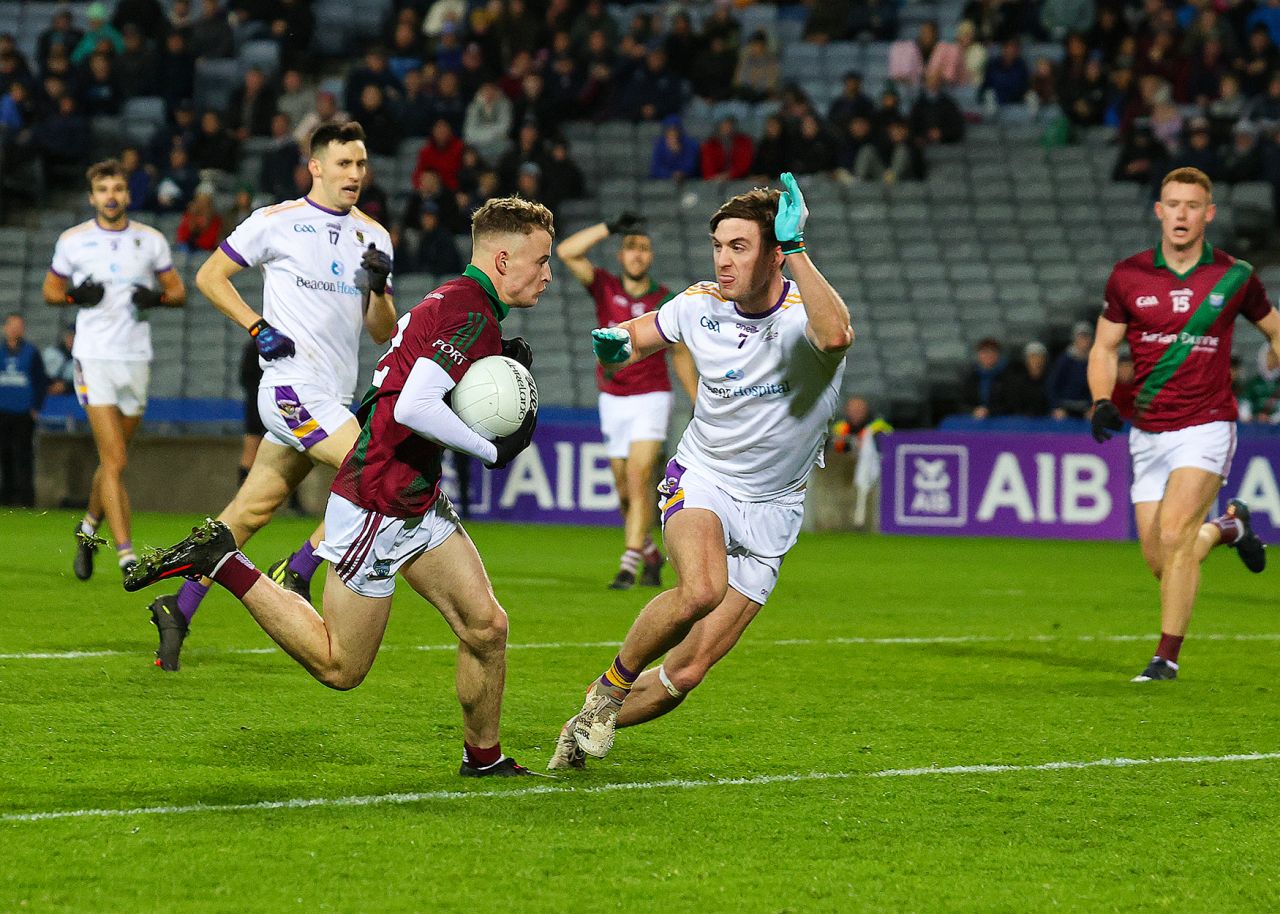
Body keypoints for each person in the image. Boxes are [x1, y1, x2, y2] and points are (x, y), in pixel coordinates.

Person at [124, 197, 550, 777]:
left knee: (486, 626)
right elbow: (416, 407)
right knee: (340, 667)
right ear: (502, 259)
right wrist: (490, 447)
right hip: (376, 497)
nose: (547, 274)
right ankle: (224, 561)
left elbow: (403, 373)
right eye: (540, 260)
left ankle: (484, 758)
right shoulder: (467, 313)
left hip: (414, 495)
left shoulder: (457, 301)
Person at [548, 174, 852, 768]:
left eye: (739, 246)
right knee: (702, 589)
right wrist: (615, 342)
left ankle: (580, 726)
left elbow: (837, 334)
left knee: (687, 671)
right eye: (718, 245)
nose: (723, 260)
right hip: (704, 475)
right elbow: (638, 334)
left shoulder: (803, 316)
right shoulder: (698, 305)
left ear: (773, 252)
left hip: (775, 508)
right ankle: (610, 687)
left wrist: (798, 250)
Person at [141, 122, 396, 673]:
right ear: (317, 167)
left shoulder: (373, 236)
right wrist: (257, 326)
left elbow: (381, 331)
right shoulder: (276, 222)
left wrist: (378, 288)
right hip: (289, 391)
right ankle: (299, 568)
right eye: (344, 164)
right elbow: (211, 276)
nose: (355, 174)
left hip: (333, 397)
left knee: (245, 515)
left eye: (362, 164)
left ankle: (178, 608)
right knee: (379, 472)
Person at [1088, 167, 1279, 683]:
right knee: (1162, 561)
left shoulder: (1235, 275)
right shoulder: (1128, 276)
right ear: (1159, 210)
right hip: (1148, 432)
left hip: (1207, 424)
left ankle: (1165, 659)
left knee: (1174, 536)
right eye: (1173, 204)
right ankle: (1229, 527)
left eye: (1192, 205)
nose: (1181, 214)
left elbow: (1275, 330)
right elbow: (1104, 348)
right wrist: (1102, 399)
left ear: (1208, 213)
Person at [42, 159, 186, 578]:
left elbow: (178, 291)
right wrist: (74, 297)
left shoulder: (151, 240)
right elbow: (50, 290)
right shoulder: (74, 241)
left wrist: (156, 299)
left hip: (136, 358)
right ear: (92, 197)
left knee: (113, 462)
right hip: (94, 356)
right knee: (116, 457)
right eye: (103, 189)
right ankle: (126, 555)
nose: (111, 196)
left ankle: (87, 529)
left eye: (118, 188)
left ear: (128, 194)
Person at [556, 214, 697, 589]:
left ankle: (628, 563)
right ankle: (651, 555)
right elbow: (566, 252)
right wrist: (608, 226)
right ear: (621, 255)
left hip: (652, 396)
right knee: (624, 490)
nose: (637, 255)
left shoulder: (664, 300)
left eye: (644, 249)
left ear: (651, 257)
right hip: (613, 398)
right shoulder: (605, 287)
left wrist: (697, 398)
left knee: (639, 477)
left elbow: (680, 353)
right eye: (631, 248)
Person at [0, 313, 48, 507]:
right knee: (4, 455)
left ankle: (27, 499)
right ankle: (6, 497)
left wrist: (36, 407)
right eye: (12, 325)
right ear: (5, 327)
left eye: (19, 326)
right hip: (2, 411)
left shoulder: (31, 352)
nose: (15, 329)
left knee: (24, 455)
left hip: (23, 413)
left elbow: (40, 381)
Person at [1048, 321, 1093, 417]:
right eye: (1081, 337)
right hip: (1064, 406)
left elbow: (1097, 387)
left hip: (1085, 407)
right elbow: (1052, 385)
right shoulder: (1064, 360)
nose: (1084, 340)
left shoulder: (1094, 361)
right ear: (1075, 338)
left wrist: (1092, 407)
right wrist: (1056, 407)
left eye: (1086, 337)